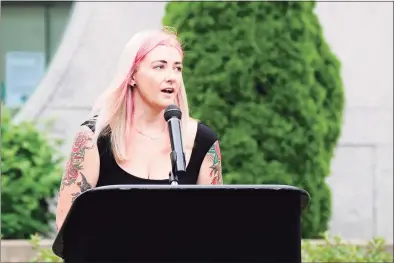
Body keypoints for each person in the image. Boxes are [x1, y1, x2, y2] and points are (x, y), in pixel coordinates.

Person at [55, 27, 223, 230]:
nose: (171, 76)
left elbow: (216, 223)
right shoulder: (94, 137)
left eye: (177, 68)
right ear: (132, 75)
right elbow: (66, 224)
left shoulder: (202, 140)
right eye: (159, 67)